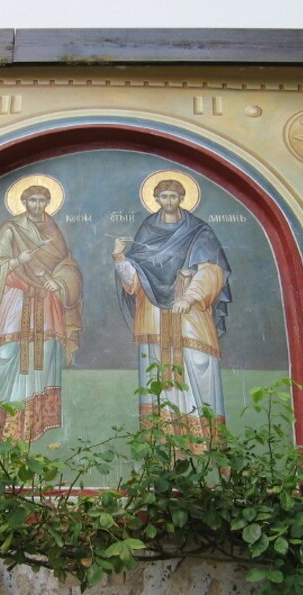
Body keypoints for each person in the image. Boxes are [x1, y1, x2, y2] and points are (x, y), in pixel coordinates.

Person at [113, 178, 231, 444]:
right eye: (164, 196)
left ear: (182, 198)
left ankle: (205, 440)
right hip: (154, 314)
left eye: (173, 196)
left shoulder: (200, 231)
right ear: (156, 199)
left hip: (190, 312)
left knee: (198, 365)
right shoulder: (147, 229)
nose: (168, 201)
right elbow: (136, 279)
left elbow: (212, 270)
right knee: (156, 371)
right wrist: (120, 257)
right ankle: (161, 441)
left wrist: (190, 296)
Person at [0, 184, 83, 441]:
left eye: (41, 201)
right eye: (32, 200)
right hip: (14, 299)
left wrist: (59, 283)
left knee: (45, 355)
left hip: (46, 300)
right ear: (24, 203)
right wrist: (18, 261)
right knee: (5, 354)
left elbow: (67, 264)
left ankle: (29, 426)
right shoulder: (11, 228)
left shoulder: (53, 230)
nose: (37, 205)